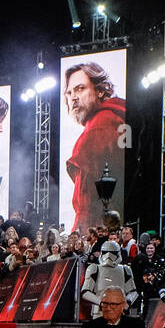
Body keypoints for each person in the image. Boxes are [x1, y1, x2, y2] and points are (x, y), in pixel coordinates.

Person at [63, 61, 126, 233]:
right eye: (69, 92)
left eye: (80, 88)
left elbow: (87, 203)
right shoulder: (115, 117)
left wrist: (78, 236)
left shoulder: (100, 125)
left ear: (100, 90)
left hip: (96, 229)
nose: (73, 97)